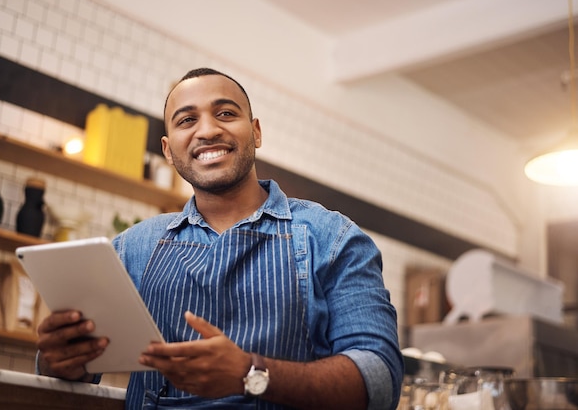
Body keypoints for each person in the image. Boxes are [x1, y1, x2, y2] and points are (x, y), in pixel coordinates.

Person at [35, 67, 404, 409]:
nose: (208, 130)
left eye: (226, 113)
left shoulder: (333, 239)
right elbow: (79, 375)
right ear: (168, 150)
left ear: (256, 132)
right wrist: (59, 361)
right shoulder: (132, 248)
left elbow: (380, 380)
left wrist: (251, 373)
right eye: (187, 120)